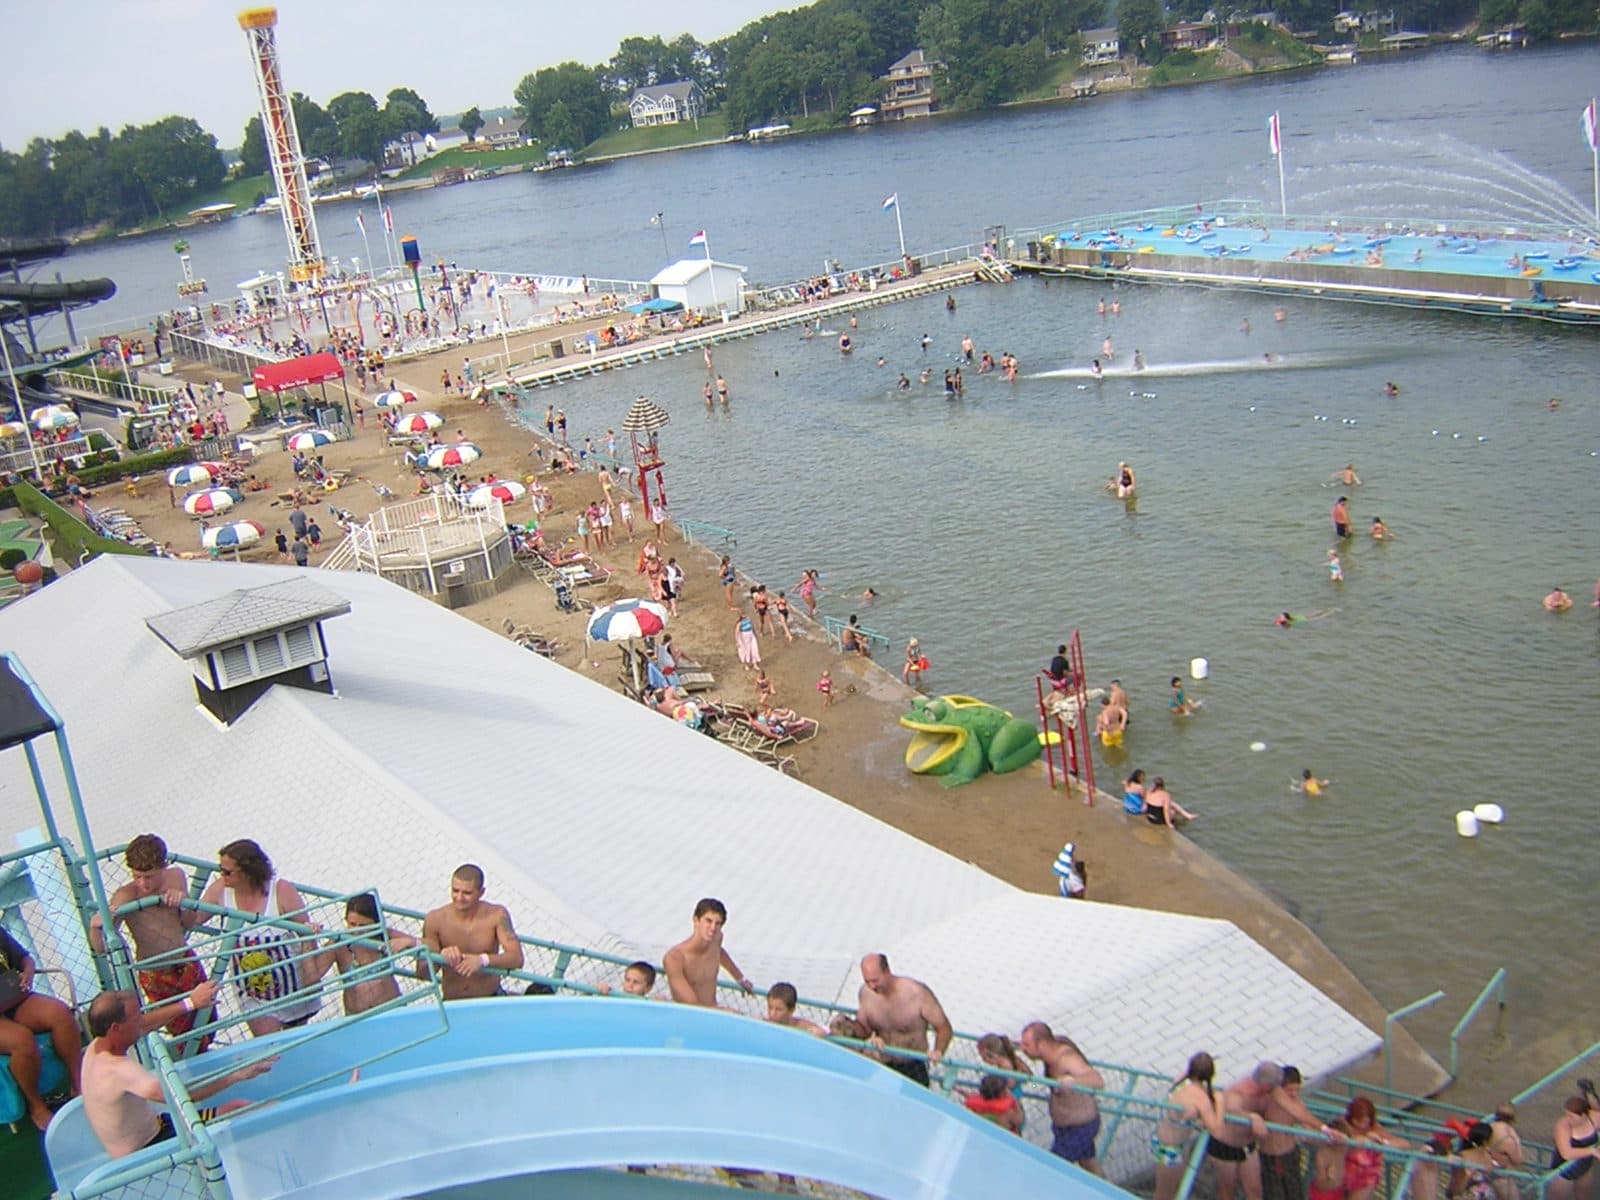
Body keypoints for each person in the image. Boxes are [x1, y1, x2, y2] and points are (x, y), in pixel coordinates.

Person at [80, 989, 274, 1158]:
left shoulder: (96, 1048)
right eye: (136, 1018)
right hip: (151, 1149)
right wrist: (238, 1074)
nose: (142, 1021)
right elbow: (183, 1096)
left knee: (237, 1108)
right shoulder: (118, 1069)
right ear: (116, 1027)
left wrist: (191, 1003)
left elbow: (144, 1024)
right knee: (241, 1108)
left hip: (161, 1126)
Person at [88, 834, 208, 1042]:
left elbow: (189, 923)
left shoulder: (176, 877)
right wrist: (95, 928)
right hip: (155, 971)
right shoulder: (126, 896)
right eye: (137, 876)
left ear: (164, 866)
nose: (143, 883)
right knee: (181, 1031)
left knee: (207, 1019)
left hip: (185, 959)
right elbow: (101, 948)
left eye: (149, 876)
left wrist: (184, 902)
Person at [198, 839, 322, 1035]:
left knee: (293, 1044)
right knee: (269, 1044)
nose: (222, 876)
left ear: (248, 872)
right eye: (220, 870)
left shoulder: (281, 891)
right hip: (252, 993)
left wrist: (312, 978)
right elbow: (193, 919)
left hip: (291, 986)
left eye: (228, 872)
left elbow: (306, 933)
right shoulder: (221, 890)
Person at [0, 924, 83, 1130]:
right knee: (22, 1040)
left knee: (60, 1013)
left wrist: (27, 974)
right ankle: (36, 1105)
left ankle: (79, 1083)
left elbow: (25, 958)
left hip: (14, 998)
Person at [303, 893, 421, 1017]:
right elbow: (312, 977)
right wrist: (308, 939)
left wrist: (411, 942)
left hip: (391, 1013)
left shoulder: (385, 935)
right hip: (356, 1018)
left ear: (376, 924)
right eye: (352, 924)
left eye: (363, 926)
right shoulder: (339, 943)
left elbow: (427, 947)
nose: (357, 931)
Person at [420, 864, 524, 1001]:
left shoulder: (497, 915)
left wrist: (482, 960)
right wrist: (440, 957)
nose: (459, 897)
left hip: (489, 998)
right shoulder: (435, 919)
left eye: (467, 893)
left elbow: (517, 958)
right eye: (455, 891)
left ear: (481, 893)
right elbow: (423, 974)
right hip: (452, 1002)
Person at [1020, 1022, 1106, 1174]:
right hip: (1063, 1128)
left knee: (1053, 1168)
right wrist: (1031, 1083)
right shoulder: (1049, 1057)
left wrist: (1073, 1081)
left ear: (1042, 1044)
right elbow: (1046, 1086)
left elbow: (1097, 1080)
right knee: (1088, 1163)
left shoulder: (1067, 1059)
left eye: (1027, 1045)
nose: (1023, 1049)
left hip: (1081, 1127)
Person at [855, 953, 952, 1088]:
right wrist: (871, 1038)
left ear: (887, 971)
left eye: (875, 980)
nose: (872, 986)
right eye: (867, 981)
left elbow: (943, 1027)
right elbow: (862, 1029)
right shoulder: (865, 994)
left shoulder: (917, 993)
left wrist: (938, 1051)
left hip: (913, 1064)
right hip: (883, 1063)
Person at [1152, 1053, 1231, 1200]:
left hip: (1165, 1140)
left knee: (1170, 1190)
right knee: (1164, 1195)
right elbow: (1217, 1132)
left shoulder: (1181, 1081)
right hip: (1171, 1149)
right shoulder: (1200, 1099)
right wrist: (1220, 1103)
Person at [1260, 1065, 1334, 1200]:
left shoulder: (1297, 1105)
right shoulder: (1268, 1101)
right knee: (1274, 1194)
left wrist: (1326, 1138)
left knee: (1294, 1193)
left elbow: (1307, 1125)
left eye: (1297, 1090)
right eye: (1289, 1090)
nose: (1294, 1094)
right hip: (1270, 1155)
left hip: (1290, 1153)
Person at [662, 898, 753, 1007]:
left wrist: (740, 978)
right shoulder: (675, 958)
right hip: (688, 1016)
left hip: (713, 1011)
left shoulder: (716, 940)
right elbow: (691, 1004)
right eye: (708, 921)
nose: (713, 928)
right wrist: (726, 1013)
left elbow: (719, 952)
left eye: (718, 923)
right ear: (696, 920)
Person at [1207, 1063, 1279, 1200]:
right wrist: (1251, 1117)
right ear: (1265, 1085)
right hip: (1225, 1147)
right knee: (1227, 1190)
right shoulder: (1236, 1093)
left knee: (1255, 1189)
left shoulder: (1268, 1094)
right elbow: (1232, 1111)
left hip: (1248, 1146)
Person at [1343, 1096, 1402, 1200]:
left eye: (1365, 1122)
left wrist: (1382, 1142)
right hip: (1343, 1172)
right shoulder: (1343, 1125)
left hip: (1365, 1177)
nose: (1361, 1125)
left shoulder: (1375, 1128)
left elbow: (1404, 1144)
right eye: (1358, 1121)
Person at [1547, 1086, 1600, 1200]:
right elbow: (1566, 1153)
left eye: (1572, 1117)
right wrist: (1592, 1151)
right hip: (1564, 1172)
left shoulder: (1594, 1118)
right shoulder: (1563, 1125)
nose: (1568, 1119)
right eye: (1566, 1115)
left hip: (1585, 1167)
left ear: (1584, 1115)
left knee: (1585, 1196)